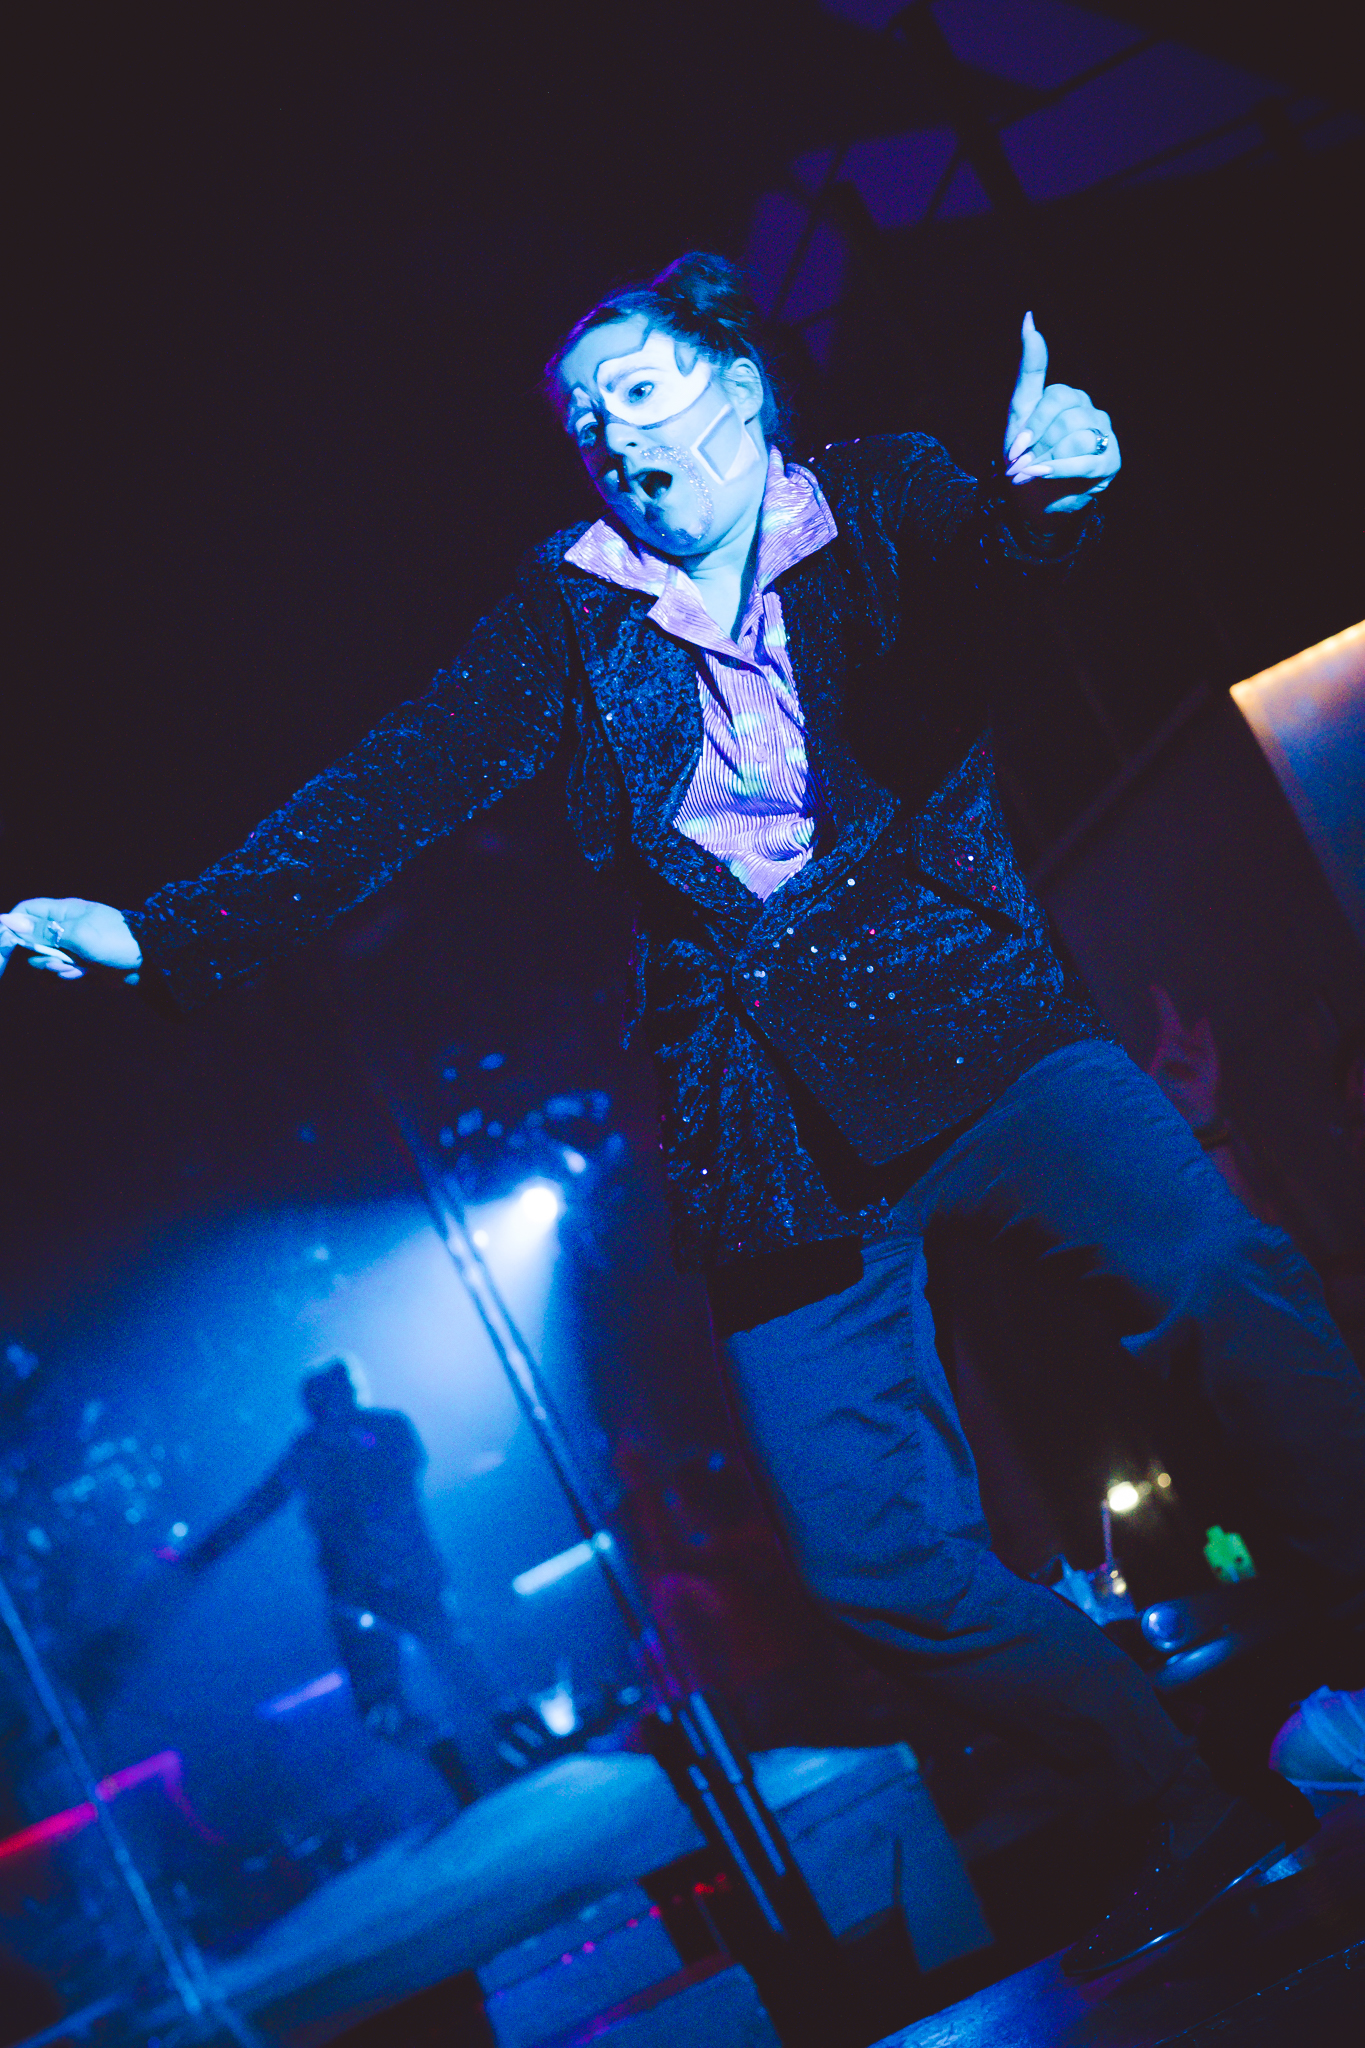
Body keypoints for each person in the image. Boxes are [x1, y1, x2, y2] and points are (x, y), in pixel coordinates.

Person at [4, 252, 1363, 1974]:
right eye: (583, 420)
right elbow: (397, 782)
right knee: (871, 1558)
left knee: (1224, 1280)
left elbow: (985, 583)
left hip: (979, 1023)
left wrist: (1049, 506)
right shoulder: (567, 614)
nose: (608, 435)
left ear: (737, 388)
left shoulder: (882, 500)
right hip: (770, 1126)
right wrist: (167, 932)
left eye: (634, 391)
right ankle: (1178, 1796)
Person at [179, 1358, 502, 1807]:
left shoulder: (385, 1429)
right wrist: (203, 1555)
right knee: (380, 1707)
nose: (339, 1400)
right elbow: (260, 1505)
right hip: (359, 1596)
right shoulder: (309, 1451)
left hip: (406, 1582)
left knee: (465, 1672)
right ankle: (450, 1754)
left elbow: (402, 1483)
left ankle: (514, 1741)